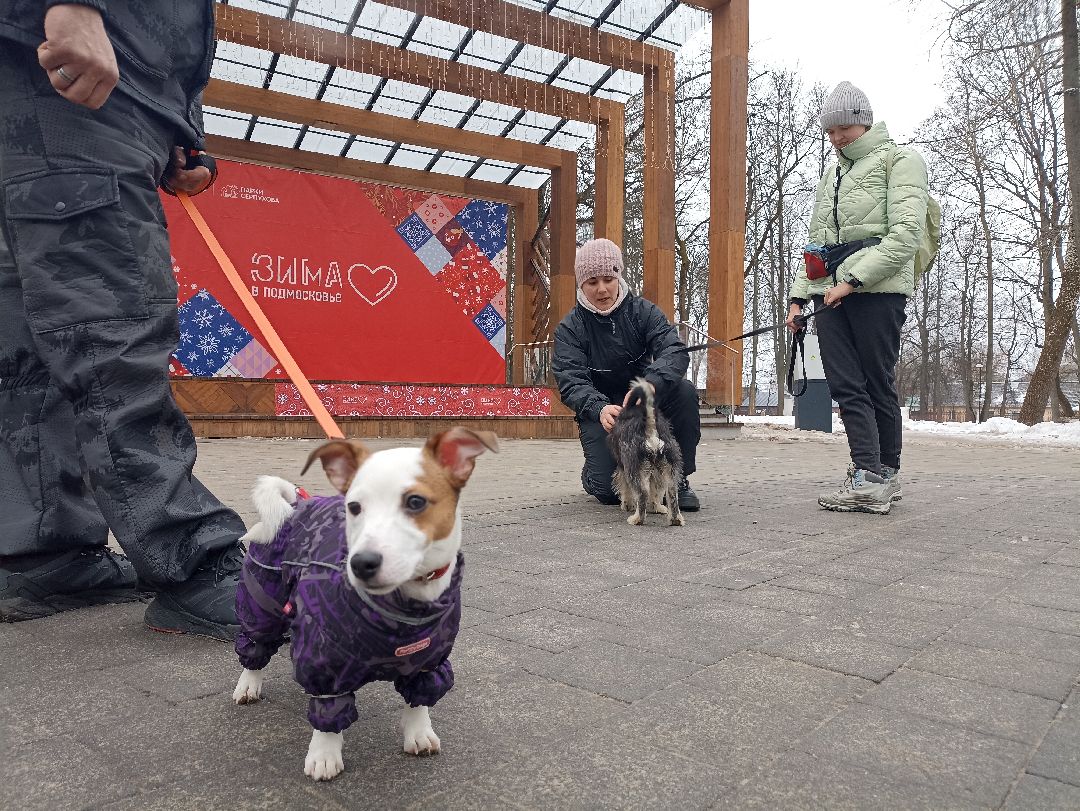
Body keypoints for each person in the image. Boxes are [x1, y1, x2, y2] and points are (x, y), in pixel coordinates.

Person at [0, 0, 248, 638]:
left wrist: (175, 131)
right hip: (69, 88)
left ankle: (42, 553)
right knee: (109, 328)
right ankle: (190, 559)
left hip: (67, 91)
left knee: (26, 342)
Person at [786, 81, 930, 515]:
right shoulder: (832, 174)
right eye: (830, 131)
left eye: (844, 128)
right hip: (828, 293)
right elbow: (817, 245)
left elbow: (905, 235)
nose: (837, 138)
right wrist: (798, 297)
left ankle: (884, 473)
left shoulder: (901, 160)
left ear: (864, 121)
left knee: (875, 382)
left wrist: (851, 281)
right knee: (847, 386)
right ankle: (867, 473)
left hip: (877, 290)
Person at [552, 238, 701, 512]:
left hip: (643, 399)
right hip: (603, 409)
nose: (601, 289)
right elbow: (570, 379)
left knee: (684, 391)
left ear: (619, 276)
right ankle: (593, 476)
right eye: (592, 281)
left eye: (608, 278)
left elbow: (674, 351)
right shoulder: (569, 329)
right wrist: (597, 408)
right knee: (608, 493)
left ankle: (677, 480)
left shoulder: (644, 312)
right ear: (581, 285)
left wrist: (652, 384)